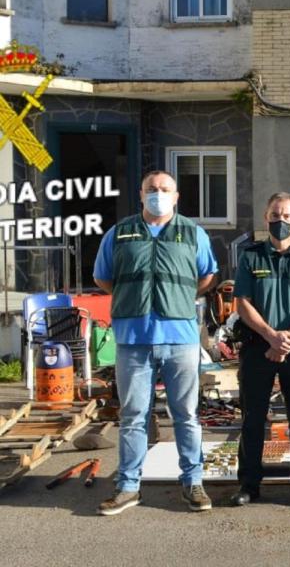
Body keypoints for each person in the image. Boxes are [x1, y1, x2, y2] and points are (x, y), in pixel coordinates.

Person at [92, 170, 218, 515]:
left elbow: (208, 274)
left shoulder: (193, 234)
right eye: (152, 189)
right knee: (133, 416)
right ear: (141, 193)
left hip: (180, 339)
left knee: (187, 415)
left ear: (176, 197)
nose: (158, 194)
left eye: (164, 189)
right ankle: (129, 487)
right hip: (133, 339)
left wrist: (178, 296)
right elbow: (103, 278)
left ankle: (193, 483)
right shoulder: (119, 234)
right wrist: (132, 299)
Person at [230, 193, 290, 506]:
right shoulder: (251, 257)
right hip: (259, 348)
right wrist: (271, 337)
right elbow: (242, 303)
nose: (280, 221)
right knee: (253, 420)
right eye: (275, 214)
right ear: (265, 217)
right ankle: (249, 486)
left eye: (286, 216)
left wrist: (288, 339)